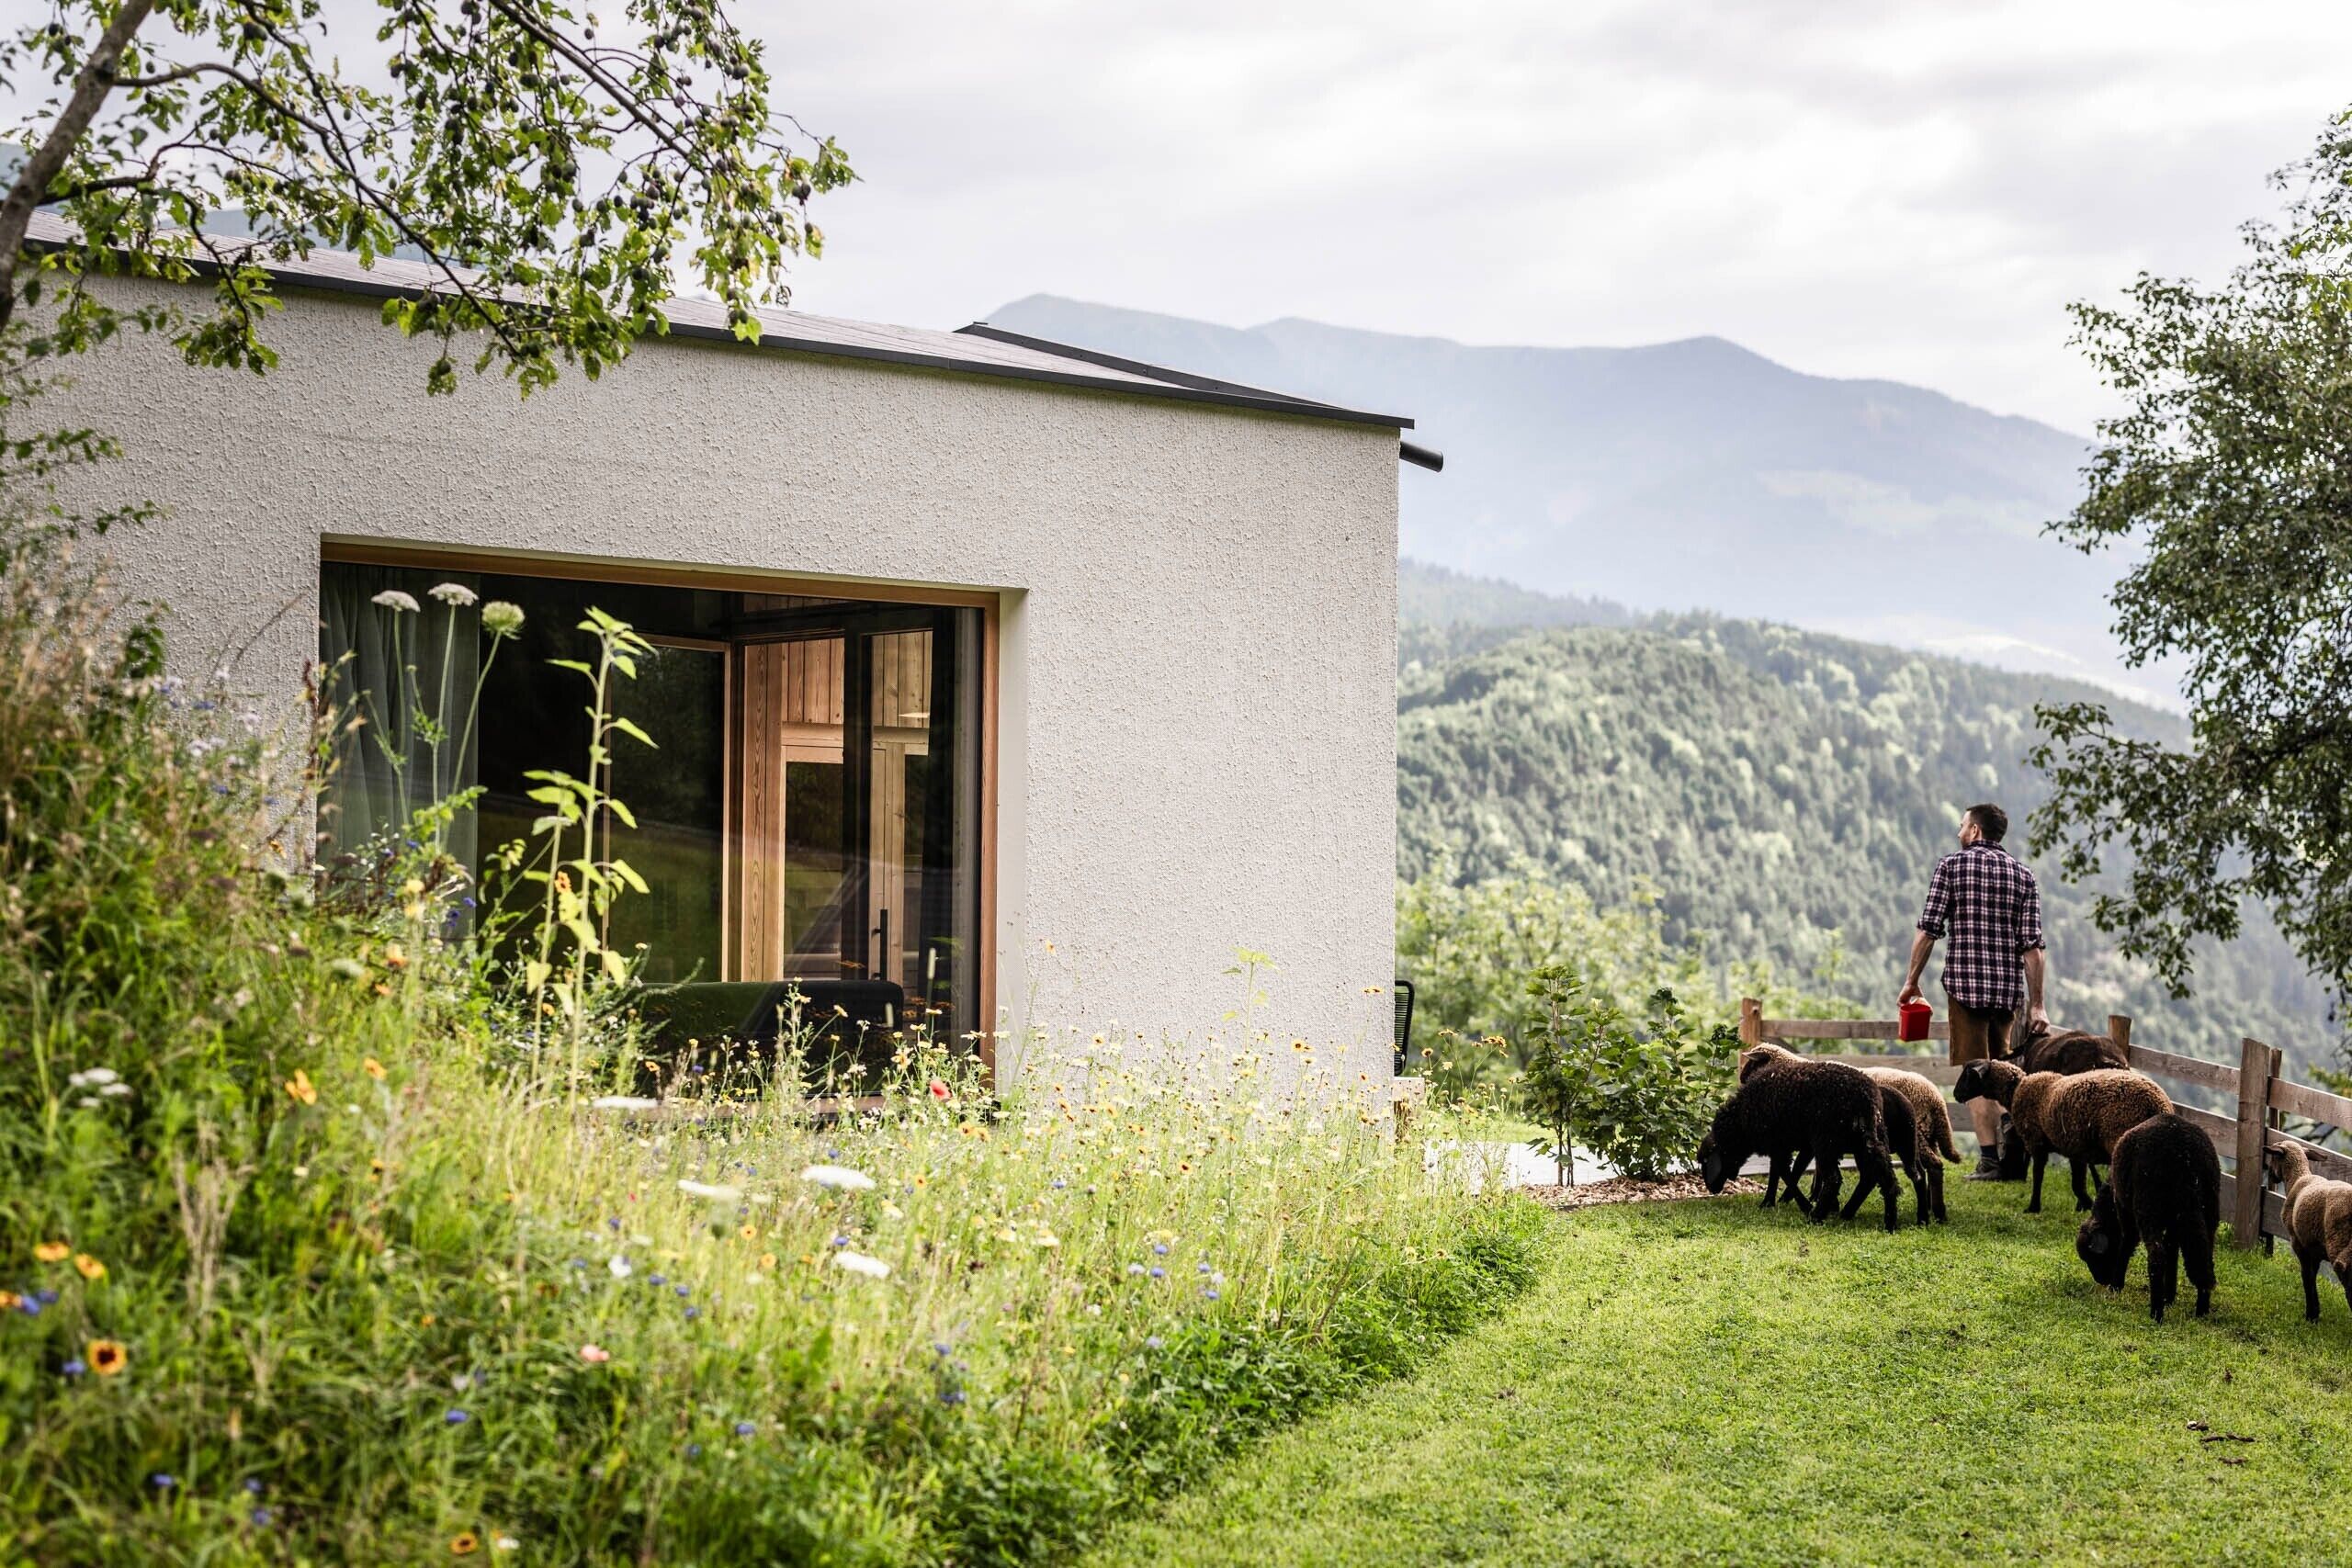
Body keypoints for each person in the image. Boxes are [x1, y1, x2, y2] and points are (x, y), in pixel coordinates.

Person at [1897, 803, 2048, 1179]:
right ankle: (2015, 1155)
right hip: (2008, 994)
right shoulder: (2023, 875)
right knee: (2006, 1076)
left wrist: (1911, 981)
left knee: (1976, 1074)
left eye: (1962, 825)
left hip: (1966, 990)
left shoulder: (1951, 867)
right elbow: (2032, 948)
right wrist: (2038, 1006)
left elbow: (1929, 930)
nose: (1958, 832)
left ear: (1976, 830)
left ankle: (1990, 1161)